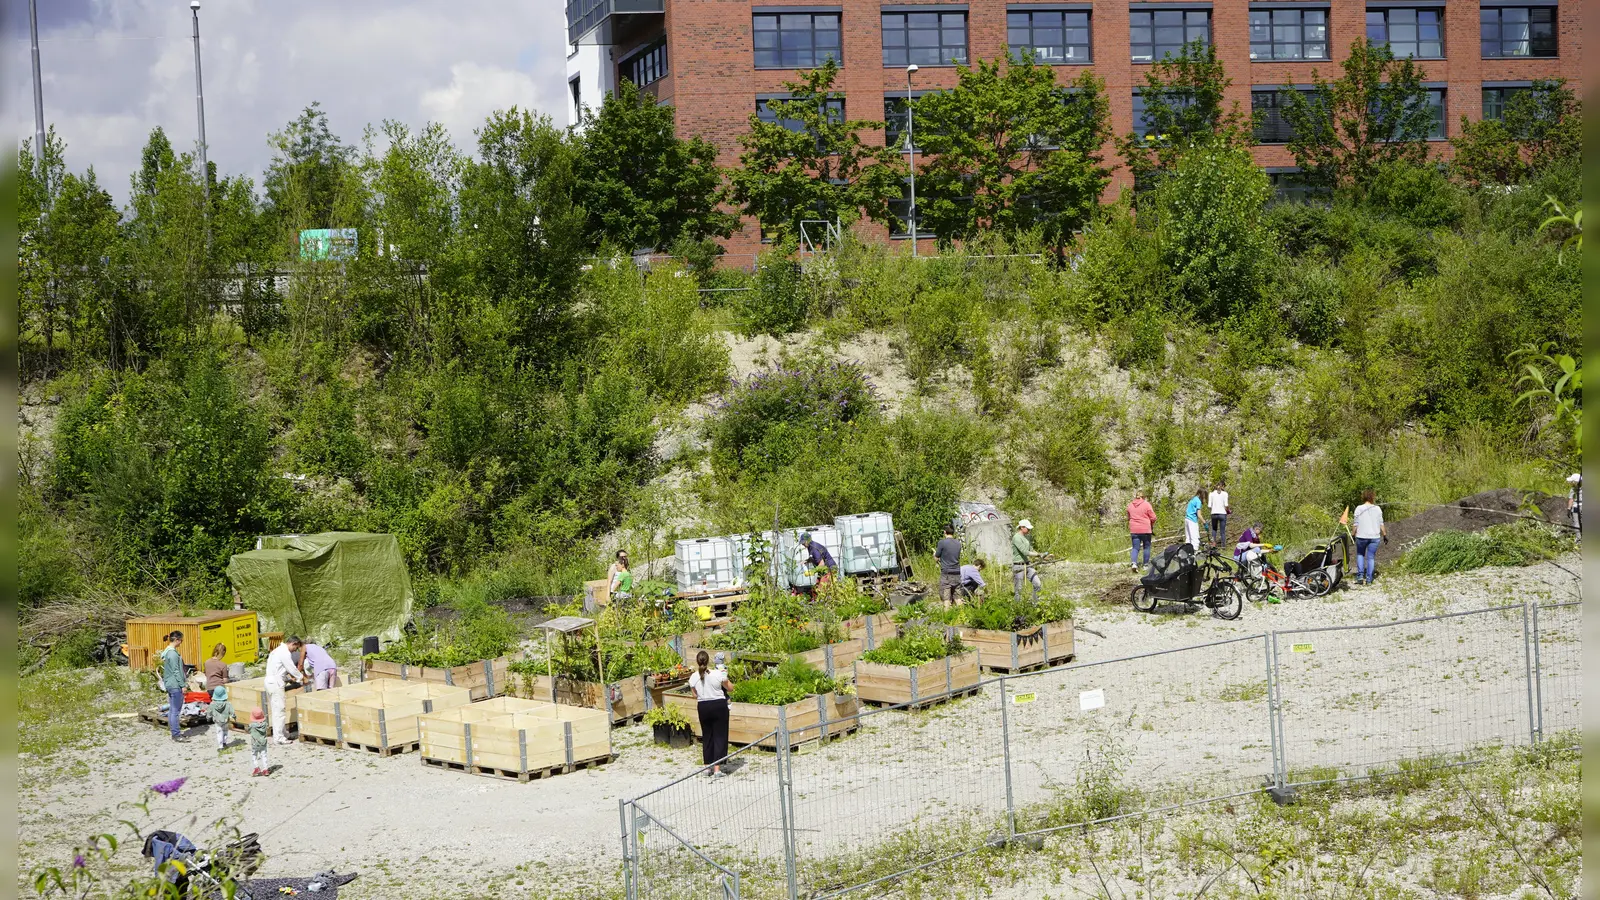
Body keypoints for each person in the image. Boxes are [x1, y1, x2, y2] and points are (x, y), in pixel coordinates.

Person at [688, 650, 735, 779]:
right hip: (718, 705)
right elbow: (730, 688)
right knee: (719, 735)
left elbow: (694, 694)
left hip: (703, 706)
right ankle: (717, 769)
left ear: (697, 662)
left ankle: (706, 766)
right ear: (709, 661)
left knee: (707, 735)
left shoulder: (693, 677)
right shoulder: (717, 674)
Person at [263, 635, 307, 744]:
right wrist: (301, 677)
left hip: (269, 680)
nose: (294, 651)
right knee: (280, 710)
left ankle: (282, 733)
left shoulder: (276, 651)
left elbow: (278, 669)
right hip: (276, 683)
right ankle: (279, 738)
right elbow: (291, 667)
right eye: (295, 648)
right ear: (293, 644)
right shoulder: (284, 653)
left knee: (276, 709)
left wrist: (288, 679)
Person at [1352, 490, 1387, 586]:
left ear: (1363, 497)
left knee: (1360, 555)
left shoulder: (1359, 508)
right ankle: (1369, 579)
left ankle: (1360, 577)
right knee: (1370, 557)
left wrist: (1353, 534)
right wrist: (1384, 534)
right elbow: (1381, 523)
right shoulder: (1378, 509)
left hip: (1361, 536)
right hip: (1374, 537)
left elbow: (1356, 524)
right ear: (1372, 497)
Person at [159, 631, 189, 743]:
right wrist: (183, 685)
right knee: (175, 711)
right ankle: (176, 734)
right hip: (175, 685)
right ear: (177, 640)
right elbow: (176, 671)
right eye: (181, 640)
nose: (181, 643)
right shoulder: (173, 654)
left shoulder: (167, 652)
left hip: (169, 684)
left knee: (172, 710)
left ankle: (175, 733)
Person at [1011, 520, 1044, 603]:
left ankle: (1035, 605)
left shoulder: (1026, 538)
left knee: (1037, 584)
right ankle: (1018, 610)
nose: (1029, 530)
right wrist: (1038, 554)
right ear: (1022, 527)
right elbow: (1025, 552)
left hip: (1028, 564)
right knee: (1019, 589)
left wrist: (1042, 556)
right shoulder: (1016, 537)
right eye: (1028, 528)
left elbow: (1031, 550)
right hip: (1019, 565)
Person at [1127, 490, 1156, 572]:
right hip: (1145, 529)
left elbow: (1128, 517)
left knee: (1135, 548)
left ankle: (1134, 563)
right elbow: (1153, 517)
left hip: (1134, 529)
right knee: (1146, 547)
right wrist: (1151, 524)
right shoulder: (1146, 504)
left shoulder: (1130, 505)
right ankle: (1145, 565)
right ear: (1144, 497)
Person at [934, 524, 963, 607]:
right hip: (957, 572)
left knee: (946, 599)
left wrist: (935, 556)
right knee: (958, 597)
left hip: (946, 573)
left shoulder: (942, 543)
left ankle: (947, 618)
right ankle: (963, 616)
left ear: (944, 532)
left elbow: (936, 558)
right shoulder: (958, 543)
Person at [208, 685, 235, 752]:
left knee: (219, 732)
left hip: (217, 721)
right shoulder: (228, 704)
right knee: (225, 731)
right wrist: (234, 716)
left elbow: (209, 712)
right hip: (226, 720)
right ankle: (224, 742)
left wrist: (208, 717)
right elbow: (232, 712)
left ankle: (220, 746)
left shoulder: (212, 704)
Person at [248, 708, 271, 777]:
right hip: (263, 742)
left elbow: (248, 730)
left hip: (255, 742)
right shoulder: (265, 724)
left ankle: (256, 768)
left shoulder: (251, 725)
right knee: (264, 755)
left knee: (254, 755)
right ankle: (265, 769)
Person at [1567, 473, 1582, 539]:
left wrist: (1568, 509)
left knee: (1576, 523)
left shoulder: (1573, 489)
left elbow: (1571, 500)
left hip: (1576, 507)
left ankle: (1578, 539)